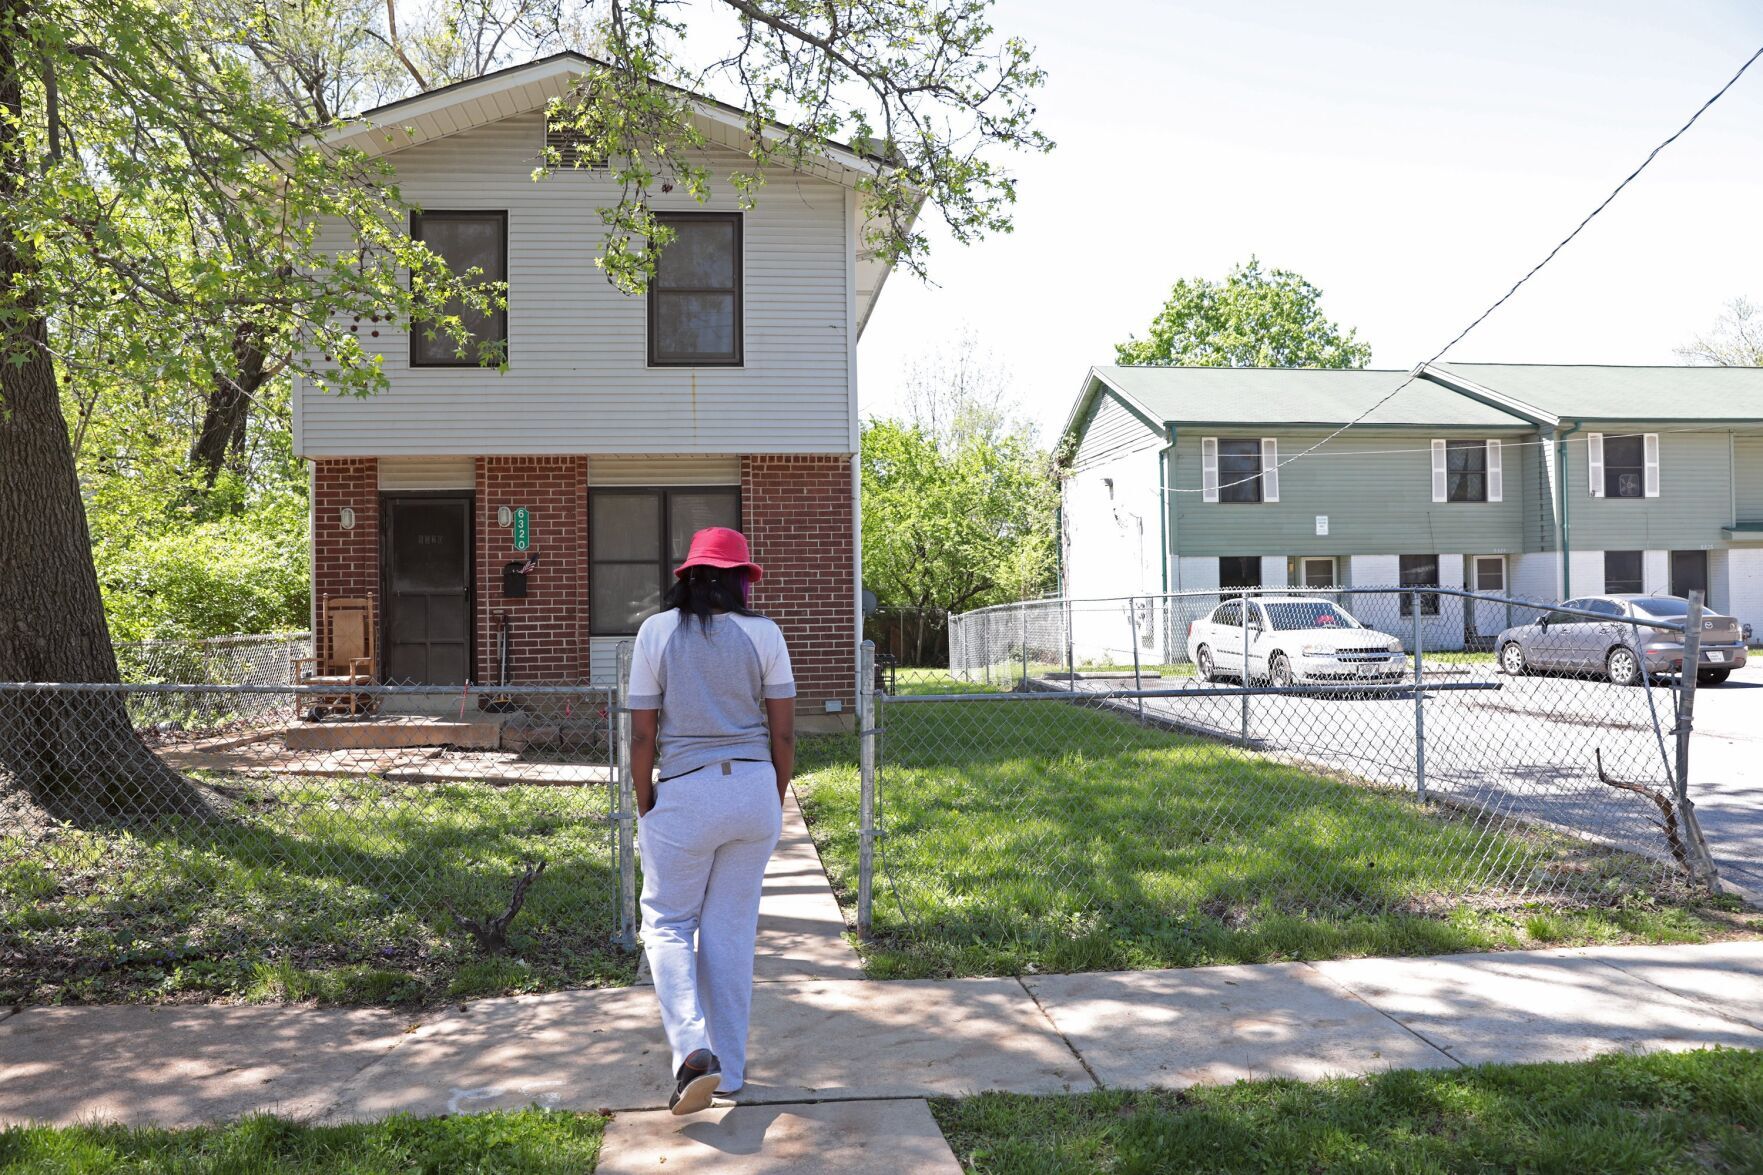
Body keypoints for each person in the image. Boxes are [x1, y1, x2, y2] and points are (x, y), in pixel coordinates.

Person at [626, 526, 796, 1115]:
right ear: (741, 580)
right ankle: (732, 1070)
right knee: (729, 932)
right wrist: (771, 797)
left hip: (685, 794)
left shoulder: (655, 632)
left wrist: (646, 800)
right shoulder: (765, 635)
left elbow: (643, 732)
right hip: (752, 791)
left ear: (689, 576)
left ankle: (694, 1050)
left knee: (668, 922)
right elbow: (783, 732)